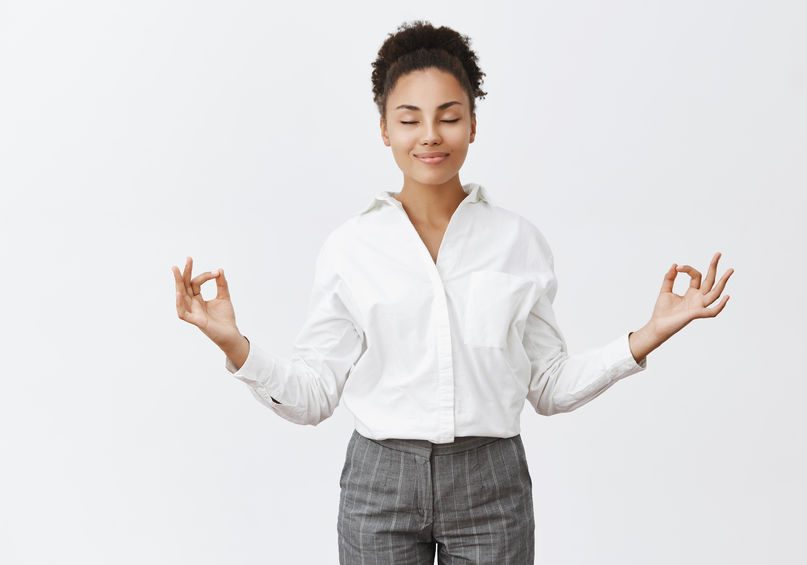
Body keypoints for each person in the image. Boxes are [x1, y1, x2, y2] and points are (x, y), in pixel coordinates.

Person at [171, 19, 733, 565]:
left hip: (492, 481)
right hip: (378, 485)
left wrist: (648, 335)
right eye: (410, 119)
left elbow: (549, 386)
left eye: (449, 116)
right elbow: (314, 394)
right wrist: (234, 345)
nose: (431, 135)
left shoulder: (518, 242)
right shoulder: (351, 248)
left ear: (472, 124)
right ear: (385, 129)